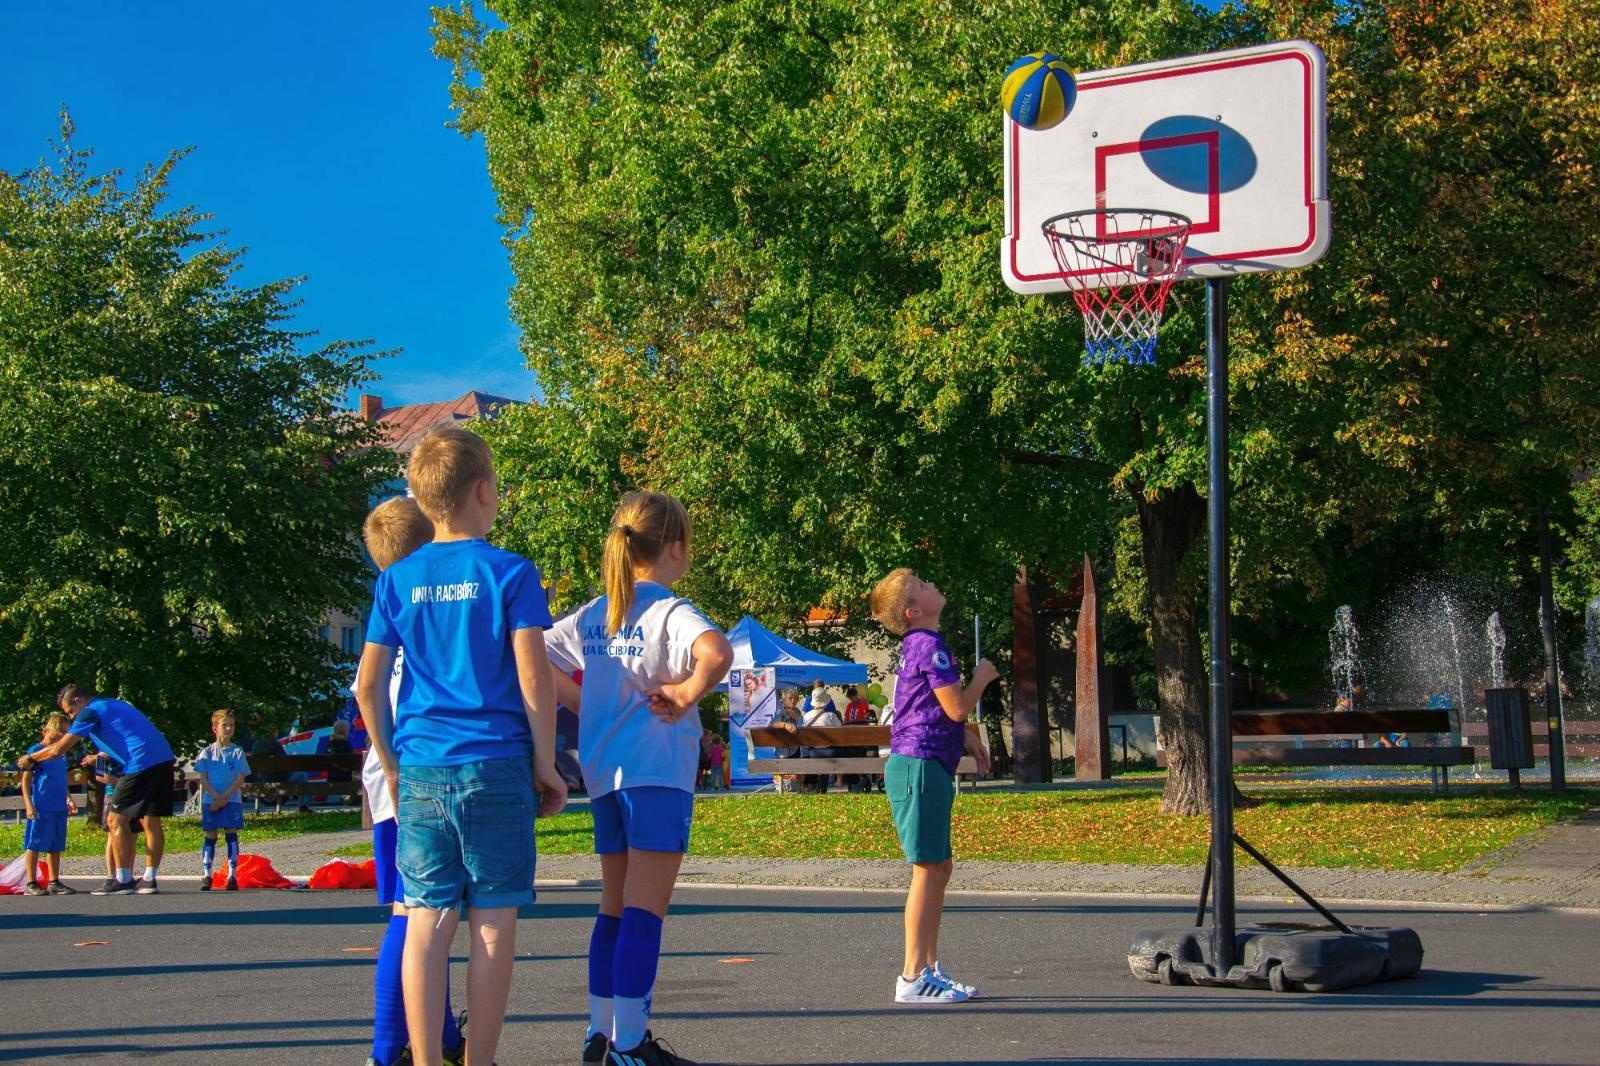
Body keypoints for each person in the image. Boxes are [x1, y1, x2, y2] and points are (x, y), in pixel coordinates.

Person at [357, 428, 567, 1066]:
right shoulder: (510, 572)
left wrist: (391, 765)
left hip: (423, 764)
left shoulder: (397, 580)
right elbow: (534, 676)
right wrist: (545, 762)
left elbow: (368, 686)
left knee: (425, 917)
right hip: (496, 761)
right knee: (493, 923)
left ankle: (424, 1059)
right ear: (483, 491)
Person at [545, 490, 734, 1066]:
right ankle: (629, 1044)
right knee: (646, 909)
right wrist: (686, 691)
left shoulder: (596, 612)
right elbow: (717, 653)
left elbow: (534, 656)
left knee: (614, 907)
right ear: (675, 548)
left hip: (605, 773)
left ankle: (600, 1034)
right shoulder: (670, 611)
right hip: (656, 770)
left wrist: (586, 704)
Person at [356, 495, 467, 1066]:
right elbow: (367, 691)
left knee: (430, 918)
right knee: (412, 914)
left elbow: (367, 687)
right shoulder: (419, 611)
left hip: (394, 776)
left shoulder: (394, 610)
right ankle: (385, 1049)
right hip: (412, 777)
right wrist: (395, 767)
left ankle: (442, 1037)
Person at [869, 568, 996, 1005]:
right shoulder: (928, 645)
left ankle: (928, 968)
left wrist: (967, 737)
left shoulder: (919, 644)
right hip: (918, 766)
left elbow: (928, 708)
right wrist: (981, 677)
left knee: (940, 867)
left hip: (925, 764)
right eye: (922, 586)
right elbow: (956, 707)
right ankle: (912, 976)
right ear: (914, 611)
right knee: (927, 868)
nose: (932, 585)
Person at [21, 684, 176, 895]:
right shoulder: (112, 705)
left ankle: (122, 880)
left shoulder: (90, 712)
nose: (72, 718)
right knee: (151, 820)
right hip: (163, 758)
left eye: (70, 712)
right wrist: (99, 760)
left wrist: (30, 758)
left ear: (78, 701)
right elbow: (115, 746)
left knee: (115, 821)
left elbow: (59, 749)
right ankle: (149, 879)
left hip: (140, 762)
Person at [21, 713, 77, 895]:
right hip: (41, 805)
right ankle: (31, 882)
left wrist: (68, 798)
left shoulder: (60, 754)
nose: (57, 743)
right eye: (54, 738)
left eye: (61, 739)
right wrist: (29, 805)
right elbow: (26, 781)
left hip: (58, 805)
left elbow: (61, 779)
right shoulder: (36, 751)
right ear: (44, 731)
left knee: (55, 844)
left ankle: (54, 881)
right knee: (35, 843)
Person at [193, 709, 249, 891]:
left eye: (232, 725)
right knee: (210, 834)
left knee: (231, 833)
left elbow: (240, 778)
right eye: (224, 725)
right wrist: (216, 798)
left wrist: (225, 798)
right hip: (211, 800)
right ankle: (207, 874)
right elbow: (203, 779)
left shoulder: (237, 752)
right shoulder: (206, 753)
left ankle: (232, 875)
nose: (229, 728)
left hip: (231, 800)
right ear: (215, 728)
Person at [326, 719, 355, 783]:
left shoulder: (329, 744)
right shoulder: (346, 744)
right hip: (345, 779)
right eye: (347, 730)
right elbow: (352, 763)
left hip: (331, 779)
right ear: (344, 732)